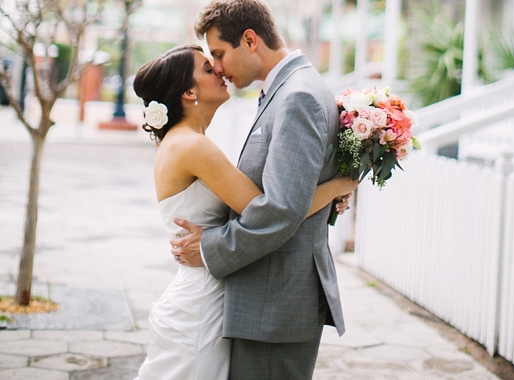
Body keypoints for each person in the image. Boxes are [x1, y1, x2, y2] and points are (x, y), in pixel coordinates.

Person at [132, 39, 355, 380]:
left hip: (205, 291)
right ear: (188, 93)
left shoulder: (183, 141)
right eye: (208, 68)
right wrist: (339, 185)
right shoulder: (193, 146)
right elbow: (272, 210)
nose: (219, 70)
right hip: (202, 305)